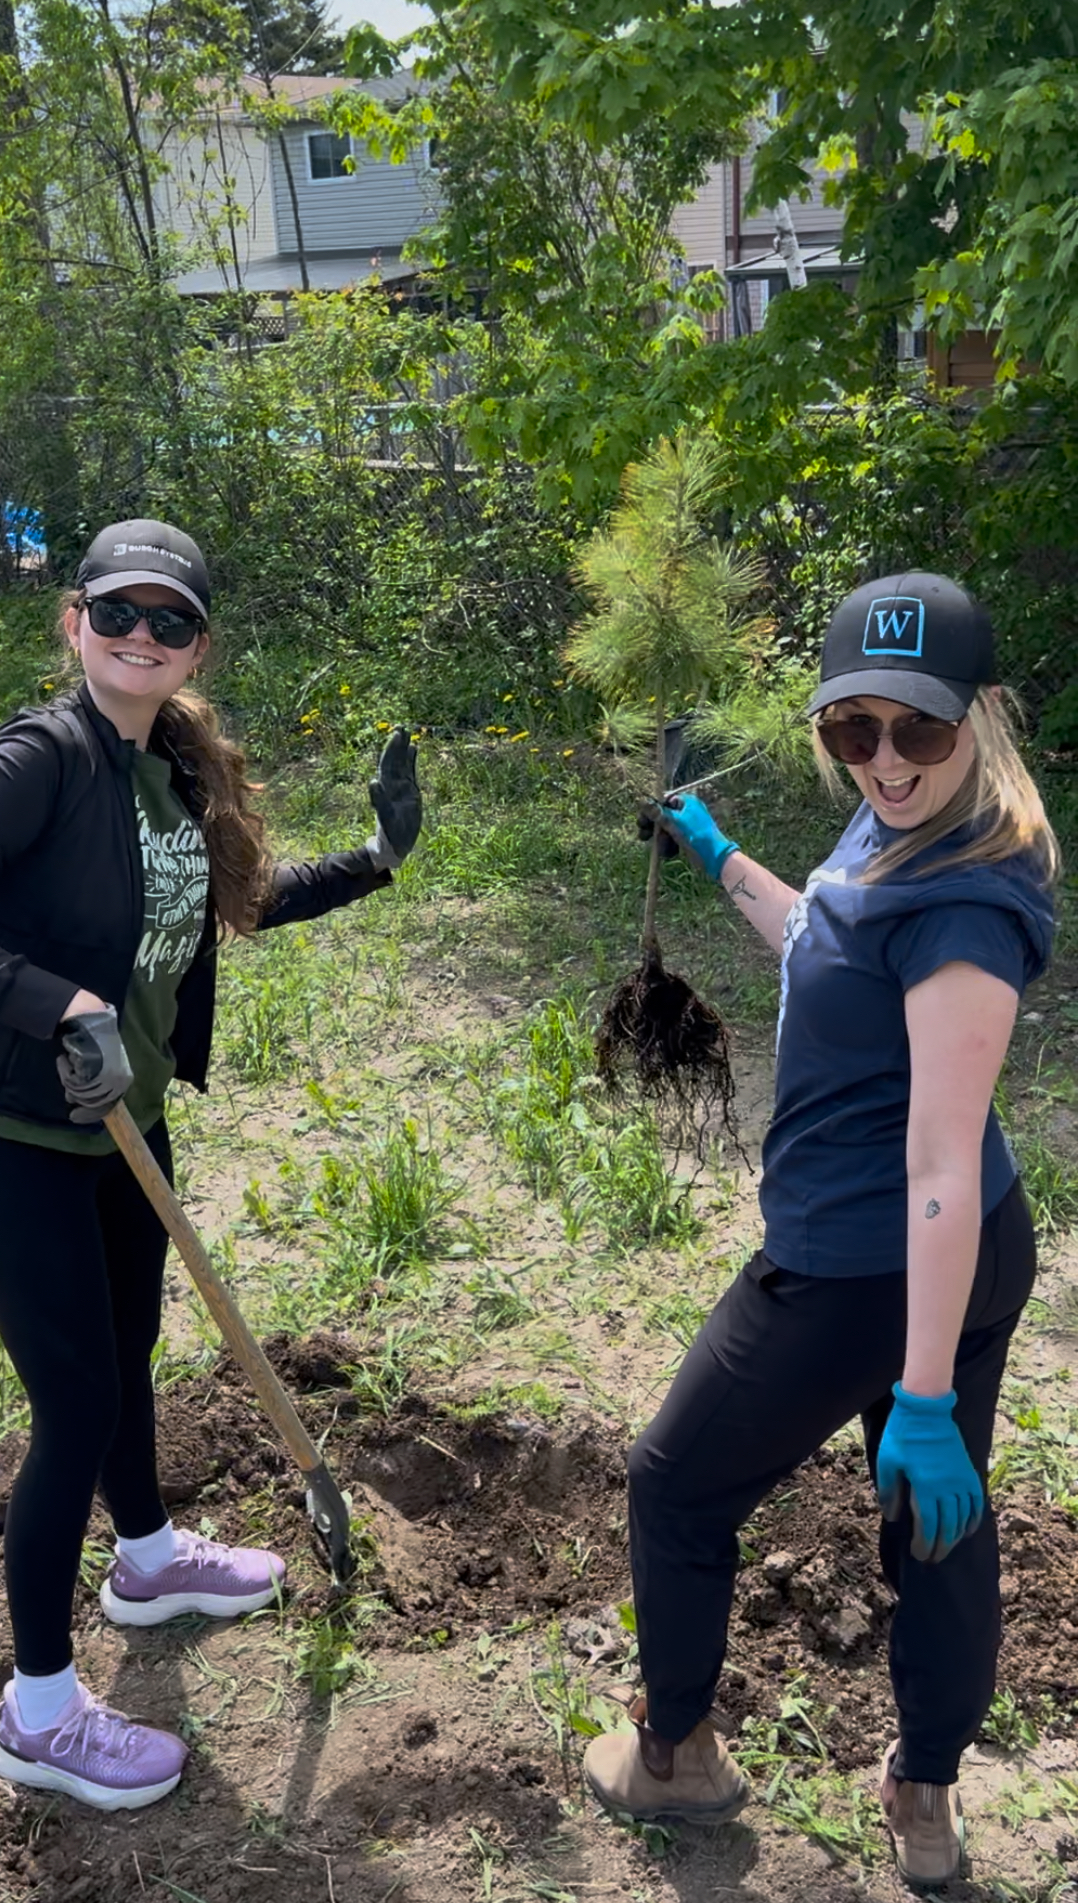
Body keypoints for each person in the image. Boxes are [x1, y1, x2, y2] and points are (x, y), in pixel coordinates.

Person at [0, 519, 422, 1813]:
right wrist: (52, 1003)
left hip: (120, 1123)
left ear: (199, 641)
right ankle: (36, 1712)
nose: (142, 636)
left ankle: (145, 1561)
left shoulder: (170, 765)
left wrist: (375, 863)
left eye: (170, 620)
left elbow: (223, 907)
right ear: (75, 618)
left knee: (126, 1349)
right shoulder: (43, 757)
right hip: (15, 1132)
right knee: (73, 1403)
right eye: (118, 611)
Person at [584, 572, 1059, 1887]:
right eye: (852, 730)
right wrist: (720, 856)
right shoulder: (899, 833)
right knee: (937, 1526)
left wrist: (912, 1387)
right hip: (941, 1250)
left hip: (873, 1260)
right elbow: (828, 944)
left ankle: (672, 1755)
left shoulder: (965, 902)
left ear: (977, 716)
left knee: (674, 1482)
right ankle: (923, 1798)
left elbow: (936, 1155)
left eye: (914, 730)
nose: (883, 759)